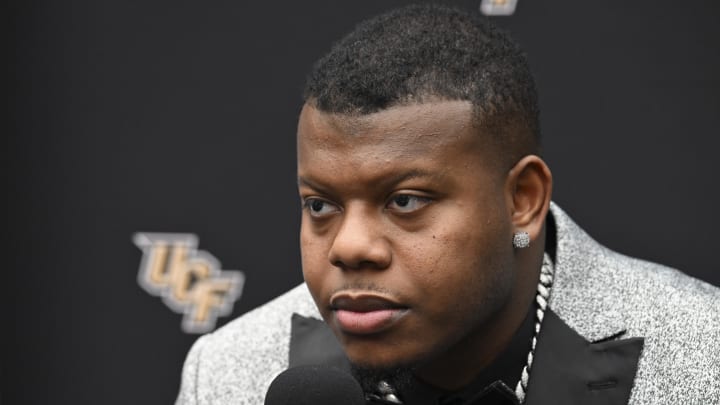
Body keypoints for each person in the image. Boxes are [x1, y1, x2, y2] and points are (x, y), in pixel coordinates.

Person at [175, 4, 720, 404]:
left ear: (522, 200)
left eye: (405, 201)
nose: (349, 247)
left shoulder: (705, 355)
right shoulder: (226, 371)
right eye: (320, 206)